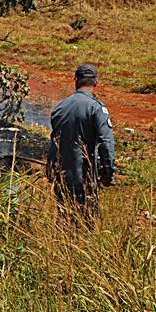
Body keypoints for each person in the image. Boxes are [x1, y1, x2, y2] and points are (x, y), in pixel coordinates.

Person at [48, 64, 116, 220]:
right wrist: (108, 172)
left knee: (64, 218)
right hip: (85, 175)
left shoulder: (59, 107)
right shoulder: (96, 108)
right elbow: (106, 143)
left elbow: (54, 142)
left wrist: (51, 170)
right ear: (96, 82)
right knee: (87, 219)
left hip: (62, 175)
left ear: (75, 81)